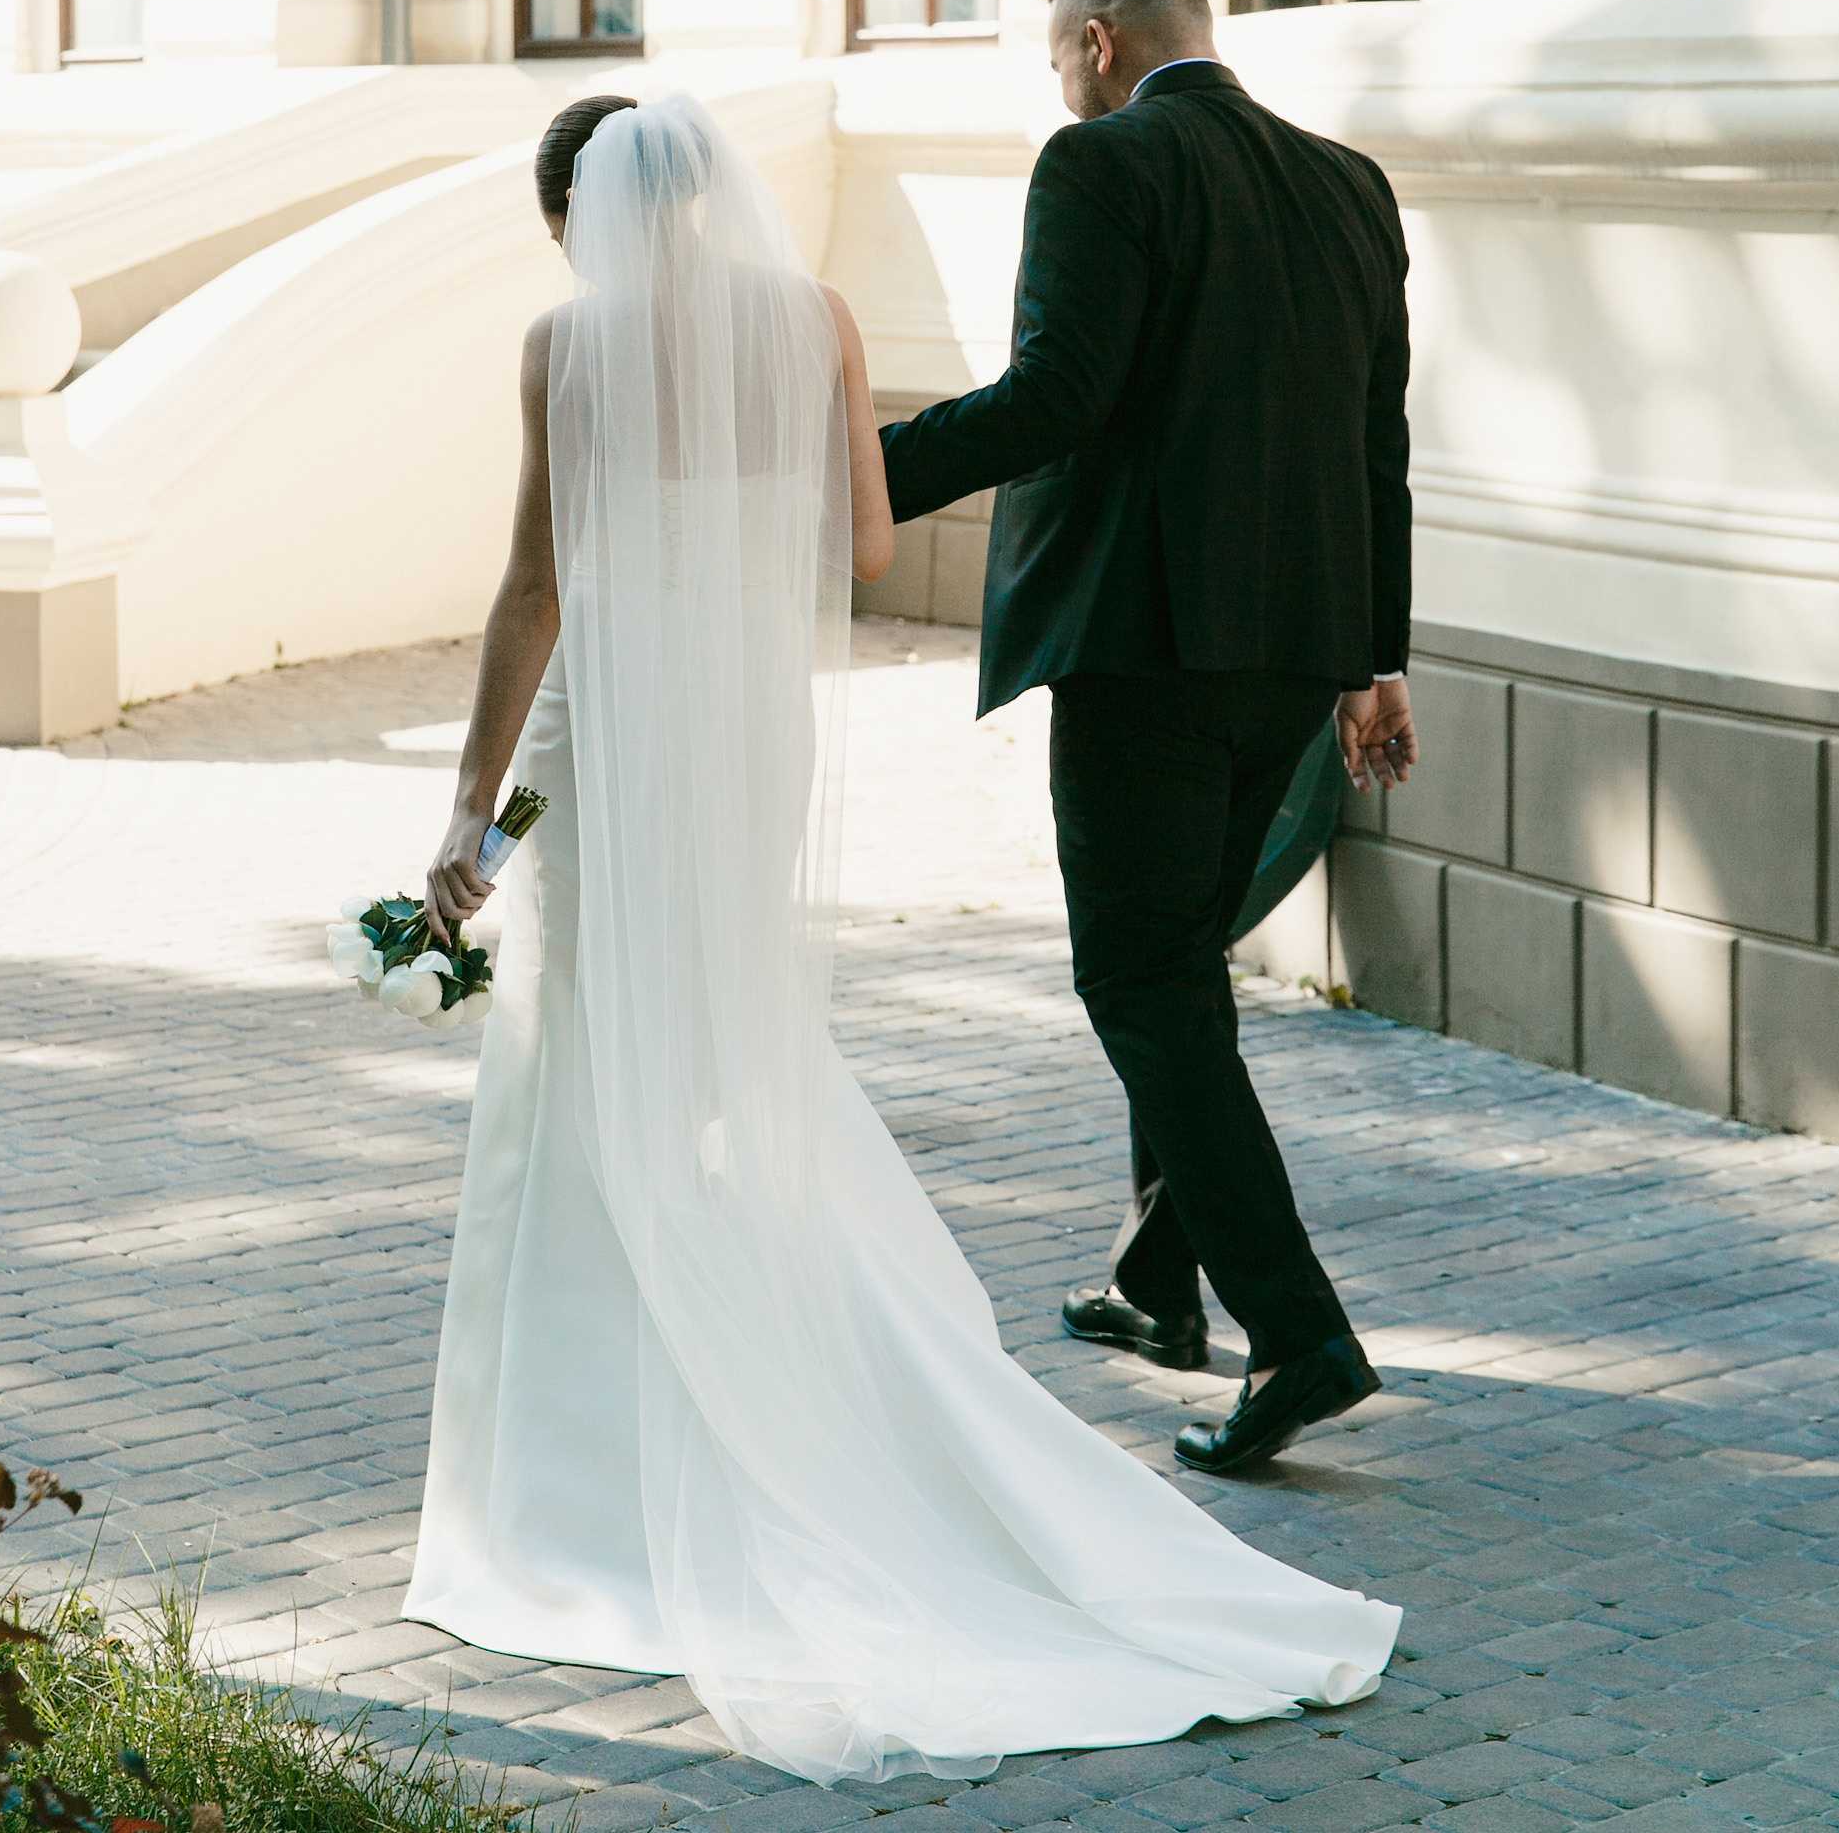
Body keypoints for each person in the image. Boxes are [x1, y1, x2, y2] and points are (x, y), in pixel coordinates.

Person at [403, 88, 1398, 1787]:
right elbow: (865, 543)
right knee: (725, 1035)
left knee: (589, 1051)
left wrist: (466, 809)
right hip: (747, 720)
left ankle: (577, 1475)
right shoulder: (817, 322)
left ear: (582, 216)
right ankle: (828, 1379)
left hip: (617, 720)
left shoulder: (563, 347)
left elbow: (534, 591)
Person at [879, 0, 1418, 1481]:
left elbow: (1059, 395)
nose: (1063, 81)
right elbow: (1374, 437)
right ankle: (1152, 1287)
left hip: (1145, 654)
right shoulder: (1348, 183)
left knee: (1142, 984)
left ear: (1101, 43)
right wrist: (1373, 661)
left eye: (1061, 56)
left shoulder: (1101, 165)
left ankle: (1297, 1332)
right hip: (1295, 656)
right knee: (1183, 970)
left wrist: (852, 474)